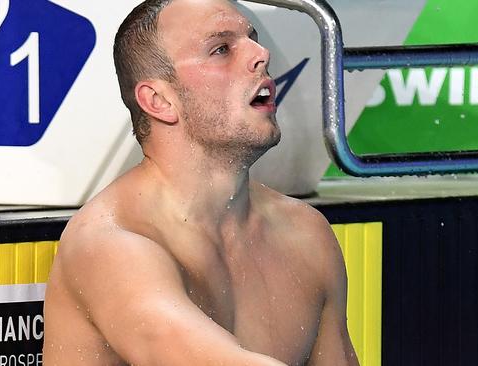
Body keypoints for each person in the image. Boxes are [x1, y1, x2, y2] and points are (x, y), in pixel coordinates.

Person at [43, 0, 359, 364]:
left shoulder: (305, 236)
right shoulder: (110, 244)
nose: (261, 54)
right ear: (159, 100)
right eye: (221, 49)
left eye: (252, 38)